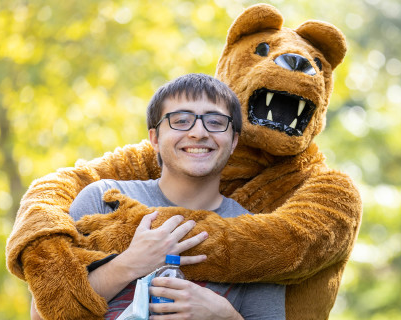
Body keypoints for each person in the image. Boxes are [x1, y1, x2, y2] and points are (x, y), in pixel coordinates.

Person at [32, 73, 285, 320]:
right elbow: (40, 314)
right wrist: (130, 263)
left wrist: (224, 316)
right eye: (181, 120)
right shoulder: (104, 200)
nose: (199, 132)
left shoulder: (255, 236)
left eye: (216, 122)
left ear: (233, 142)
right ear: (155, 138)